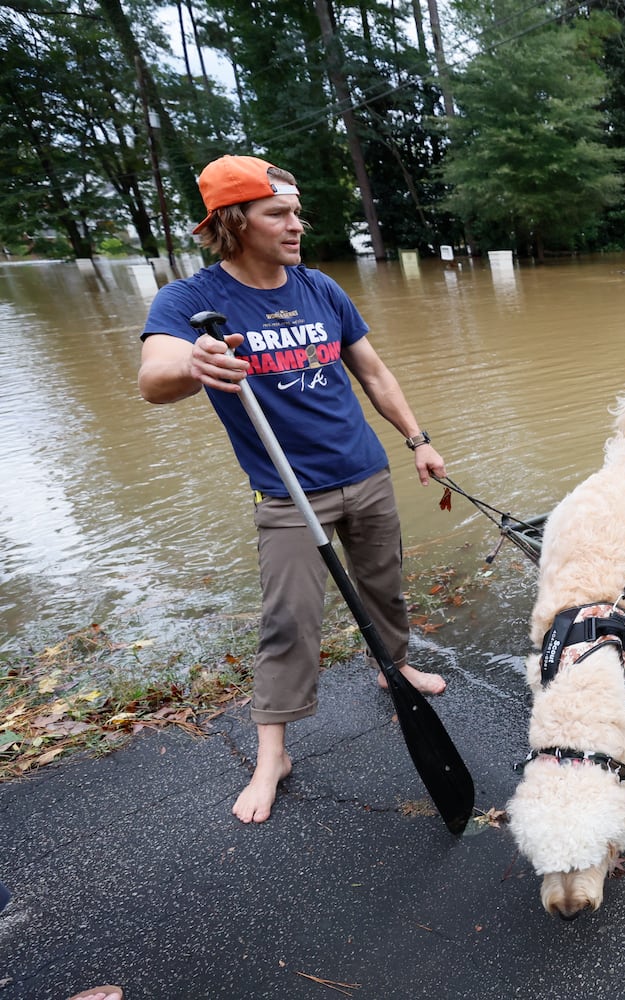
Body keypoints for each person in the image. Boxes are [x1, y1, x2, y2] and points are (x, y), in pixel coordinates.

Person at [137, 155, 448, 824]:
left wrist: (418, 441)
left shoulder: (322, 289)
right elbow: (153, 376)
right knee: (289, 620)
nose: (295, 224)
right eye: (278, 212)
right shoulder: (193, 302)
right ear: (233, 221)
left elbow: (373, 372)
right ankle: (271, 751)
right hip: (286, 493)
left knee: (385, 585)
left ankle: (393, 668)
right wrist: (194, 361)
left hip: (364, 473)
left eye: (297, 211)